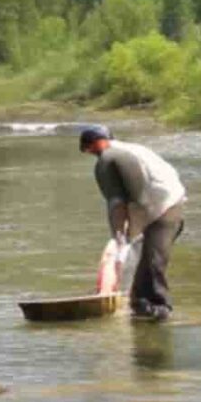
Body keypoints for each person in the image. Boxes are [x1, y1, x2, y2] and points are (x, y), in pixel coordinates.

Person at [79, 125, 184, 321]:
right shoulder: (134, 149)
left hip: (163, 209)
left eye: (89, 150)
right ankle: (140, 306)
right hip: (172, 202)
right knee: (145, 260)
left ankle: (158, 309)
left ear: (95, 144)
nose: (92, 154)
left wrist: (117, 235)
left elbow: (117, 202)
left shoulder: (109, 158)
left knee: (153, 259)